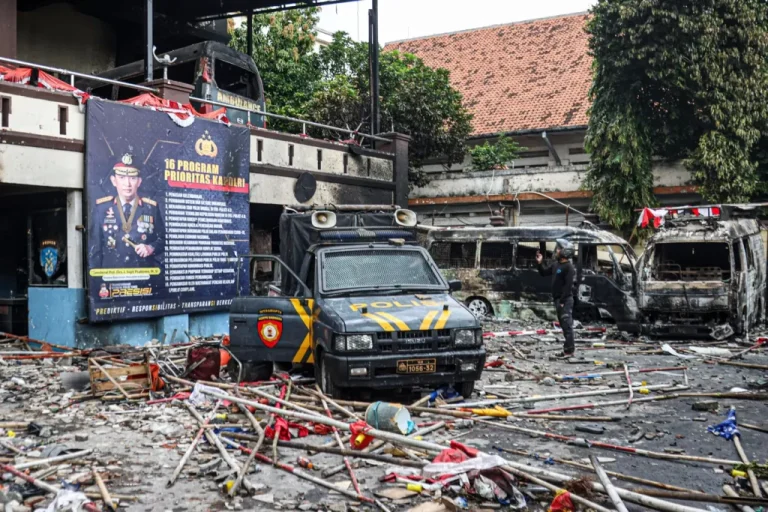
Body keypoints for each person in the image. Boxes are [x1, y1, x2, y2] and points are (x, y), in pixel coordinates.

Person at [91, 153, 163, 268]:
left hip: (142, 277)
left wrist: (151, 248)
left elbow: (162, 240)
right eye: (122, 177)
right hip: (112, 277)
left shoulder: (151, 208)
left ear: (139, 181)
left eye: (133, 178)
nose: (127, 184)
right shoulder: (102, 209)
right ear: (114, 181)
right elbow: (95, 251)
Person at [536, 239, 576, 357]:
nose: (556, 251)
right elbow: (543, 273)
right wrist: (540, 262)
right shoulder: (556, 265)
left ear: (565, 252)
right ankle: (567, 349)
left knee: (567, 325)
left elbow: (568, 286)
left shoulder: (569, 267)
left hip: (565, 301)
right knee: (563, 326)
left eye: (559, 249)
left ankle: (569, 351)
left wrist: (563, 302)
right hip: (558, 300)